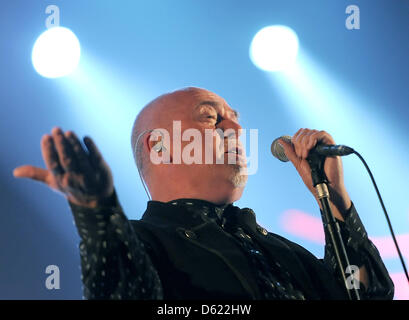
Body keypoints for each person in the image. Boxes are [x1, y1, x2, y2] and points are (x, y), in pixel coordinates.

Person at [13, 87, 394, 300]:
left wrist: (335, 199)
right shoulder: (141, 243)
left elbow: (370, 296)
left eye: (237, 120)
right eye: (212, 118)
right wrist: (98, 211)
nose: (237, 130)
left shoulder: (281, 250)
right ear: (159, 147)